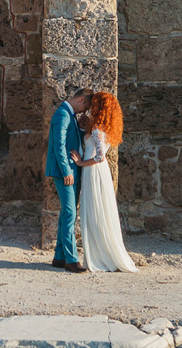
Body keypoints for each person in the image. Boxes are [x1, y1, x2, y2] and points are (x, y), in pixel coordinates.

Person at [69, 91, 138, 273]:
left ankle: (99, 257)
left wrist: (80, 163)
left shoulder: (98, 129)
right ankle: (101, 254)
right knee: (99, 211)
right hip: (99, 172)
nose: (90, 106)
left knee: (94, 211)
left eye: (94, 104)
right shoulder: (100, 127)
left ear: (99, 107)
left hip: (93, 171)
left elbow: (99, 156)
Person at [44, 88, 94, 273]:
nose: (85, 111)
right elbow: (59, 145)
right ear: (81, 100)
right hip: (64, 171)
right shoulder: (62, 115)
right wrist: (66, 171)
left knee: (67, 212)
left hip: (73, 170)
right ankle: (71, 259)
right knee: (70, 212)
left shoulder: (70, 115)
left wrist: (82, 129)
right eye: (86, 107)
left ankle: (59, 257)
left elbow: (72, 141)